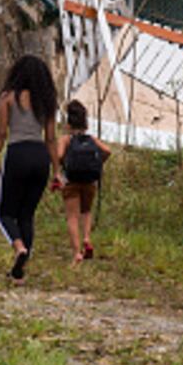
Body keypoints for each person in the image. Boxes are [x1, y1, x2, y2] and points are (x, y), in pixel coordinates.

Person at [0, 54, 59, 281]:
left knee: (5, 214)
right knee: (27, 215)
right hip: (40, 157)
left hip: (17, 154)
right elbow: (51, 138)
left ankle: (19, 248)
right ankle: (20, 271)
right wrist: (57, 170)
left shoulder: (8, 98)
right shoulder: (47, 102)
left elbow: (1, 133)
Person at [56, 100, 111, 265]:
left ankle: (76, 253)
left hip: (71, 181)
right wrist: (99, 163)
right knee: (86, 211)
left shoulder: (66, 139)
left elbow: (58, 156)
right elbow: (107, 151)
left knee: (72, 217)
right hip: (90, 181)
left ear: (68, 123)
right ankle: (87, 238)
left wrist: (60, 168)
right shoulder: (92, 139)